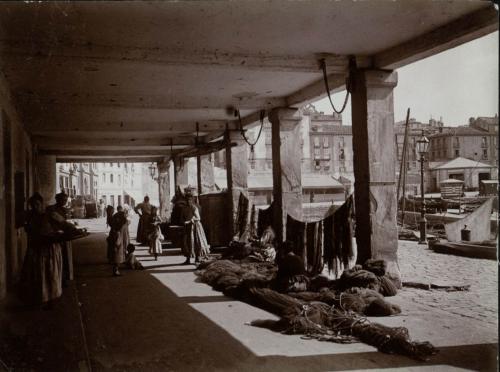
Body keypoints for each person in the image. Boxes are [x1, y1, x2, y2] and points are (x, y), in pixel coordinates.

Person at [20, 193, 64, 308]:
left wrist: (58, 233)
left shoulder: (51, 215)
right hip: (36, 249)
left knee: (51, 273)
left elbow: (63, 225)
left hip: (50, 249)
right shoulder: (31, 218)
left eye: (37, 204)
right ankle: (40, 299)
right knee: (38, 275)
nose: (35, 207)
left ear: (42, 204)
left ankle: (51, 300)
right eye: (33, 205)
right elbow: (30, 232)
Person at [46, 192, 80, 284]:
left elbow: (67, 222)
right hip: (55, 237)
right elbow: (62, 223)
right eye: (63, 200)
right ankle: (57, 278)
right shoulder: (51, 209)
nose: (64, 202)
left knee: (65, 258)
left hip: (65, 237)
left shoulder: (65, 210)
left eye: (65, 200)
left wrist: (73, 227)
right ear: (57, 199)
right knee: (56, 259)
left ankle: (64, 277)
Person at [181, 186, 210, 265]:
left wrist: (190, 221)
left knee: (196, 242)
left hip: (195, 227)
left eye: (189, 200)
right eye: (187, 200)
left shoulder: (194, 207)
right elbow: (182, 218)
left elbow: (198, 218)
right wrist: (184, 222)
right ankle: (188, 259)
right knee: (187, 243)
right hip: (187, 227)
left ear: (192, 200)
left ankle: (197, 258)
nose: (188, 201)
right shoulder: (184, 208)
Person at [107, 205, 129, 276]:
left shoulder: (111, 217)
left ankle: (115, 268)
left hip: (114, 235)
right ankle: (115, 270)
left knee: (115, 252)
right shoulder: (115, 219)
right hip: (117, 236)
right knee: (117, 253)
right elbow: (119, 225)